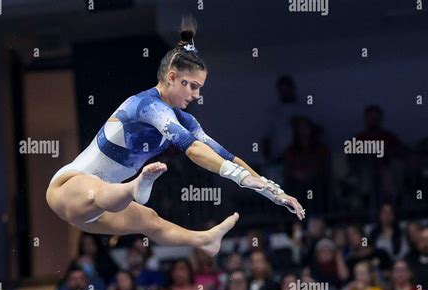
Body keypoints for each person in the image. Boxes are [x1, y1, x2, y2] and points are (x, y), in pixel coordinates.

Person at [45, 16, 305, 258]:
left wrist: (272, 191)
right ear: (172, 77)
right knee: (100, 192)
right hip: (69, 187)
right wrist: (240, 177)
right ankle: (134, 187)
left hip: (96, 213)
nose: (195, 95)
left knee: (150, 221)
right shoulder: (146, 105)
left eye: (199, 88)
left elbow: (225, 156)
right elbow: (192, 150)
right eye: (191, 86)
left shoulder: (185, 121)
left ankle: (204, 239)